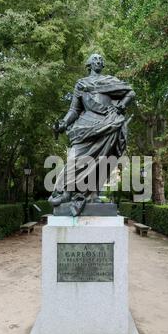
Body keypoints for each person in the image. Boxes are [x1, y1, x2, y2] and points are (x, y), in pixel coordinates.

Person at [49, 53, 135, 215]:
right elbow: (74, 110)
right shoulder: (81, 85)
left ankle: (92, 194)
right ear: (88, 64)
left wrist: (122, 105)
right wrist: (64, 123)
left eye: (100, 60)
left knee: (101, 162)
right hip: (86, 125)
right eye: (94, 59)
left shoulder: (110, 82)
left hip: (109, 124)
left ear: (103, 65)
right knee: (77, 159)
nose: (98, 61)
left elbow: (130, 93)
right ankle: (67, 192)